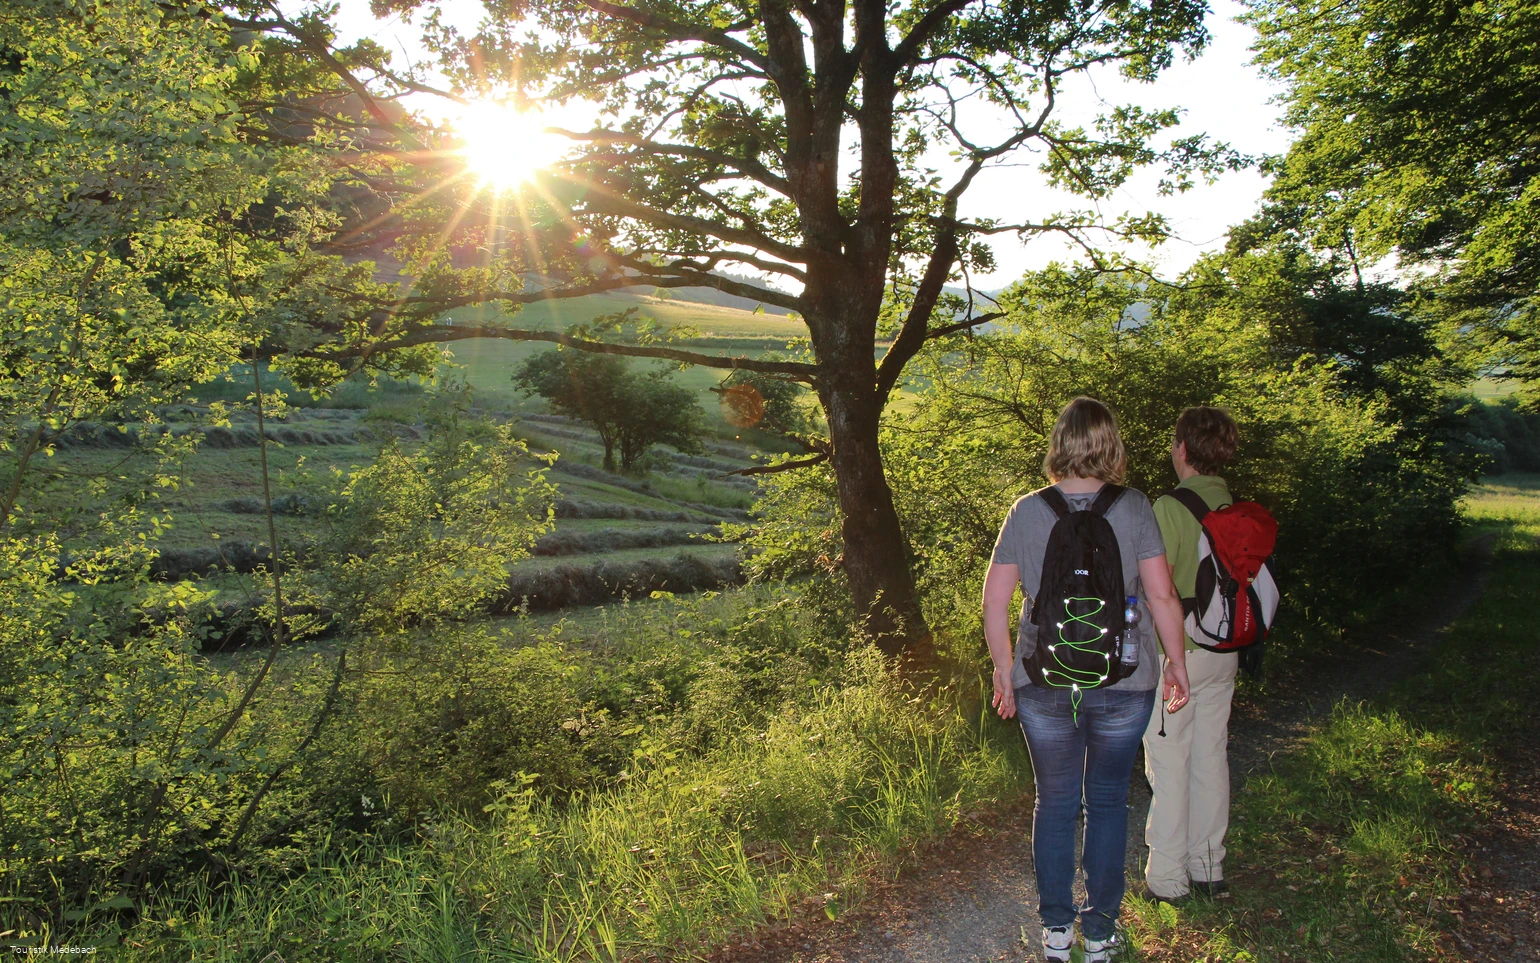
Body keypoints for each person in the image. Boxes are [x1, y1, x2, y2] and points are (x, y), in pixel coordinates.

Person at [984, 397, 1191, 963]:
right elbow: (1162, 594)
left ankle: (1056, 930)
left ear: (1059, 444)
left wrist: (1004, 669)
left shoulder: (1027, 510)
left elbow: (996, 598)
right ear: (1111, 446)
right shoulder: (1135, 507)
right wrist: (1175, 661)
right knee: (1106, 803)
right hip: (1125, 681)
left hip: (1041, 681)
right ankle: (1099, 932)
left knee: (1054, 803)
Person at [1141, 405, 1242, 903]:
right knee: (1209, 757)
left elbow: (1156, 589)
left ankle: (1166, 879)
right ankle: (1208, 868)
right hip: (1226, 652)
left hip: (1177, 653)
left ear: (1182, 448)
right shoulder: (1233, 506)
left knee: (1169, 760)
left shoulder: (1169, 507)